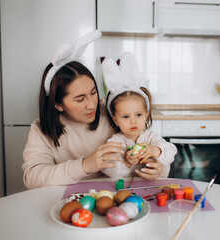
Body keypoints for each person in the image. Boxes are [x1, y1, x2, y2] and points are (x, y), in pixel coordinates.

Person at [22, 31, 167, 189]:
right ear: (58, 104)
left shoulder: (116, 114)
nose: (92, 104)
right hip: (68, 202)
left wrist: (159, 169)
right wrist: (86, 165)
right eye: (80, 99)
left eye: (93, 92)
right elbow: (32, 178)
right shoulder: (41, 129)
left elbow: (153, 150)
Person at [100, 52, 177, 178]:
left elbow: (171, 151)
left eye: (138, 115)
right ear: (115, 120)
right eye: (125, 117)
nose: (133, 121)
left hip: (149, 187)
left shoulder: (151, 137)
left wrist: (154, 150)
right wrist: (125, 161)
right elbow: (107, 168)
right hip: (125, 190)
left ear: (146, 115)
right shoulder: (116, 142)